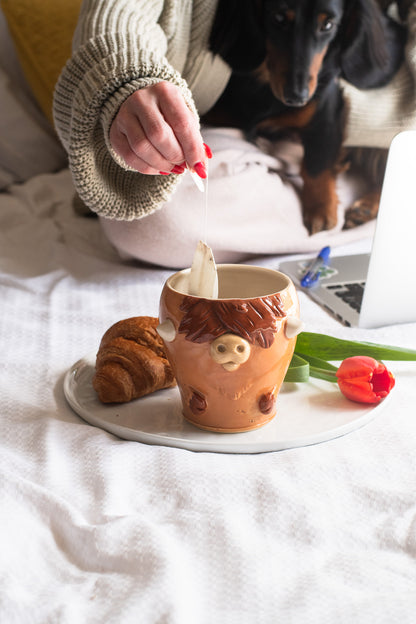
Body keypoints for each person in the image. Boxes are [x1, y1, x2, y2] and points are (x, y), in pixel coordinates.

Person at [53, 0, 416, 268]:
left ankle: (363, 191)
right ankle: (380, 200)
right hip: (217, 124)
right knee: (149, 222)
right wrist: (127, 79)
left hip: (379, 128)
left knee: (157, 224)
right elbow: (119, 17)